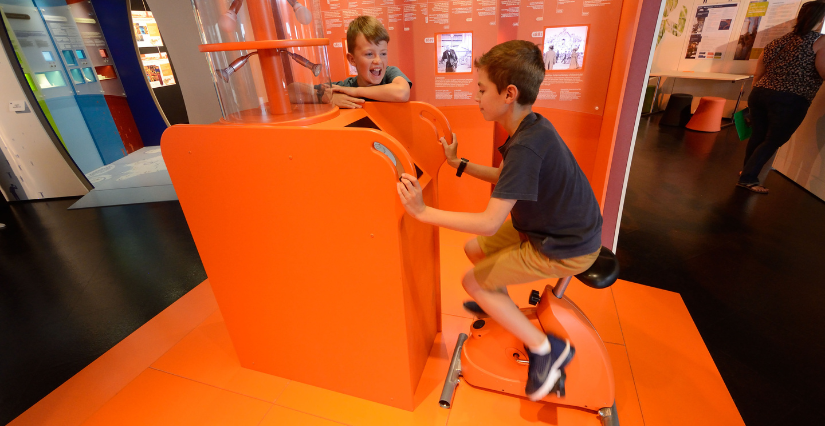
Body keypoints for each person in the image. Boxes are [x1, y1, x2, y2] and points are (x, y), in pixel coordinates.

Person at [396, 40, 602, 401]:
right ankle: (497, 304)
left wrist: (422, 212)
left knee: (471, 282)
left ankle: (546, 349)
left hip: (566, 245)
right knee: (474, 249)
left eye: (481, 89)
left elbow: (490, 222)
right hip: (552, 229)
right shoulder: (530, 128)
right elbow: (507, 179)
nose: (476, 96)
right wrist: (458, 164)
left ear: (509, 94)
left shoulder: (525, 146)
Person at [738, 0, 825, 194]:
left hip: (760, 93)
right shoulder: (820, 41)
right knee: (773, 140)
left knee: (758, 136)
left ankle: (746, 172)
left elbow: (759, 72)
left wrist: (758, 92)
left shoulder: (779, 40)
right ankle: (748, 179)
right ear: (820, 19)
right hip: (790, 98)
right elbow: (823, 71)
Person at [288, 16, 411, 108]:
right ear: (352, 59)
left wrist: (356, 91)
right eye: (369, 54)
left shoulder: (390, 73)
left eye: (383, 54)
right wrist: (328, 97)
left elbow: (402, 92)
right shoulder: (343, 88)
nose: (378, 60)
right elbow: (291, 91)